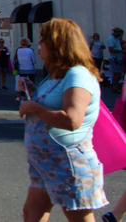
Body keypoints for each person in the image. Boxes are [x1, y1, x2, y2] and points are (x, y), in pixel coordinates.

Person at [18, 18, 107, 222]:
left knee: (79, 217)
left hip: (68, 165)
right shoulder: (56, 75)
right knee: (32, 213)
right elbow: (52, 104)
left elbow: (72, 120)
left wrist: (33, 107)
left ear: (58, 43)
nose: (38, 44)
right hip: (45, 165)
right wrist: (32, 91)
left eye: (43, 39)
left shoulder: (78, 75)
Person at [107, 27, 123, 92]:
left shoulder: (116, 39)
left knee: (118, 73)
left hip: (118, 58)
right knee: (116, 73)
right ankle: (114, 86)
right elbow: (111, 49)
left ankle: (116, 85)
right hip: (114, 59)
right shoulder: (111, 39)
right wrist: (121, 51)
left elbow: (120, 42)